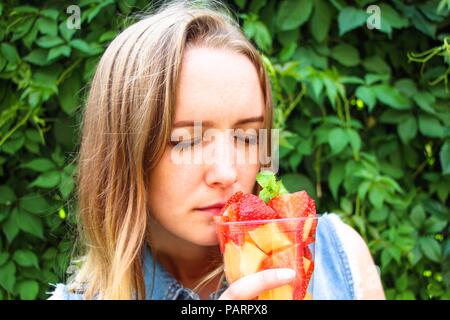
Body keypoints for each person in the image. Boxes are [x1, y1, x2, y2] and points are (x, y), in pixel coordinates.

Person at [48, 0, 385, 300]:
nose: (227, 173)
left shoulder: (336, 258)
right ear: (124, 152)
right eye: (187, 140)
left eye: (249, 136)